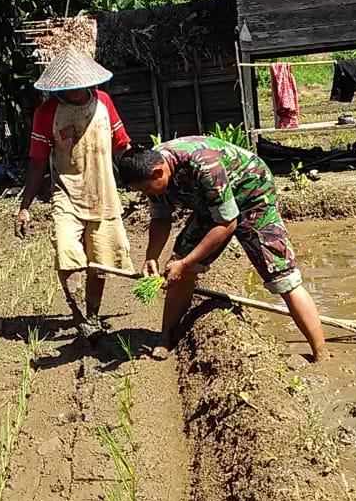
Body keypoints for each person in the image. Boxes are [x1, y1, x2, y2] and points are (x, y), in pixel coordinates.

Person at [117, 136, 329, 362]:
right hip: (212, 205)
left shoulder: (203, 164)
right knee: (180, 272)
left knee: (282, 278)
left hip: (252, 197)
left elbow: (227, 224)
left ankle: (320, 351)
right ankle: (166, 336)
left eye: (146, 190)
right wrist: (152, 257)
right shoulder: (148, 168)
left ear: (159, 173)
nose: (146, 195)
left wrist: (186, 262)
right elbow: (161, 219)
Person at [15, 47, 131, 338]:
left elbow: (121, 145)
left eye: (82, 85)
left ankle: (92, 315)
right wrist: (24, 206)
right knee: (67, 253)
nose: (78, 91)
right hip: (66, 194)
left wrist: (139, 180)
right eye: (71, 87)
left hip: (104, 193)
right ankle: (78, 311)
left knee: (102, 261)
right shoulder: (46, 113)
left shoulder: (103, 102)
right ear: (60, 87)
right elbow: (38, 160)